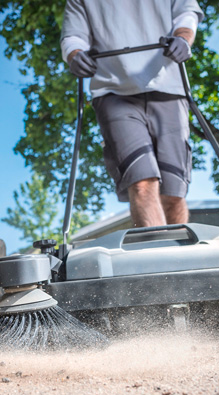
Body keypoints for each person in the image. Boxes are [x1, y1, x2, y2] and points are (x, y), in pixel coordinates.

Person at [61, 0, 204, 227]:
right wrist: (74, 54)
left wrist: (184, 39)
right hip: (113, 92)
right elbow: (73, 37)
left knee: (173, 192)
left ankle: (181, 257)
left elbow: (186, 13)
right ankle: (158, 258)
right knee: (141, 183)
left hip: (168, 87)